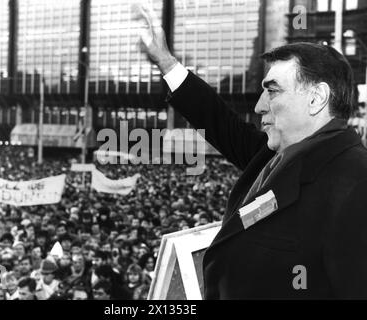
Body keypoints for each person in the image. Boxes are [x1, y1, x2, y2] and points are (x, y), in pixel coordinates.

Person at [136, 4, 367, 299]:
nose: (259, 106)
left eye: (272, 91)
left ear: (316, 98)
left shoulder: (357, 184)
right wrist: (167, 62)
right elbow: (219, 121)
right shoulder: (275, 157)